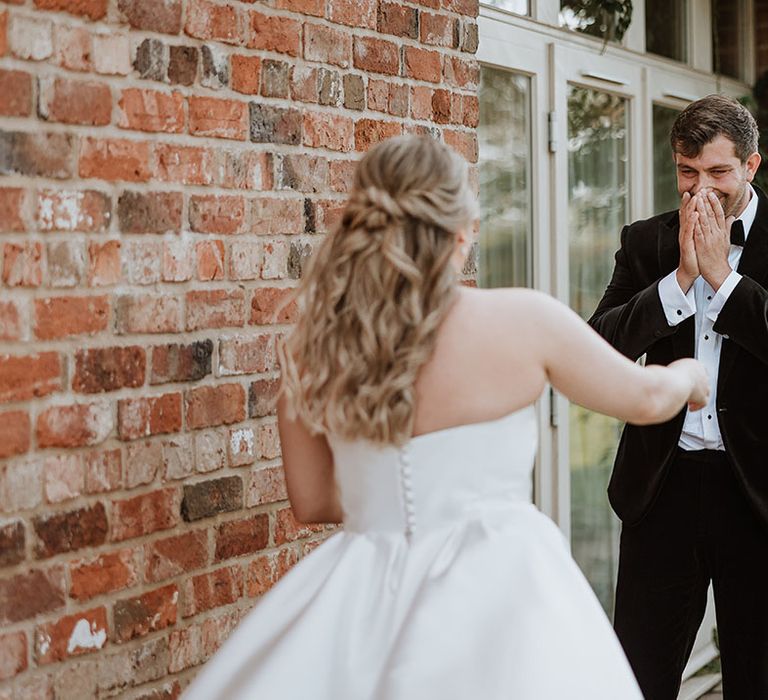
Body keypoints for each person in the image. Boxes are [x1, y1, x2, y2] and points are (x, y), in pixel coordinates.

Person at [183, 135, 707, 699]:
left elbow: (312, 501)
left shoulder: (316, 345)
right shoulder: (520, 320)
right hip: (501, 596)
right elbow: (646, 398)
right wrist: (689, 378)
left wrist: (390, 492)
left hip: (361, 600)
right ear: (462, 229)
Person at [588, 94, 768, 699]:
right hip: (661, 489)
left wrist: (724, 279)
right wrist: (681, 280)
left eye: (719, 173)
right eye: (687, 173)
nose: (702, 191)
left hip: (758, 497)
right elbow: (599, 347)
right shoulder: (645, 243)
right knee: (639, 679)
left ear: (752, 165)